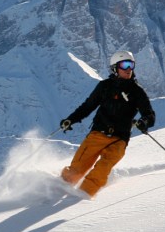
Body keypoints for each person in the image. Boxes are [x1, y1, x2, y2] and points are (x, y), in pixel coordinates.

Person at [59, 50, 155, 199]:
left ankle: (81, 197)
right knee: (76, 170)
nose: (129, 69)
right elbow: (87, 106)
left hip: (119, 139)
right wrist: (71, 119)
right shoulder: (105, 87)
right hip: (98, 134)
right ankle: (56, 191)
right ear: (115, 68)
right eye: (124, 65)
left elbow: (149, 114)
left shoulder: (137, 92)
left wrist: (144, 122)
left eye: (131, 65)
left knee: (102, 169)